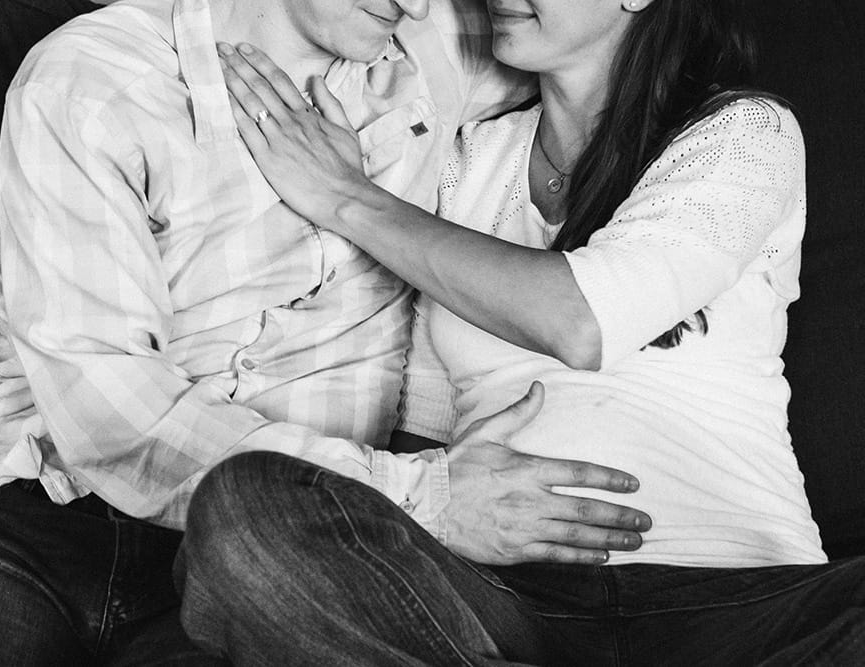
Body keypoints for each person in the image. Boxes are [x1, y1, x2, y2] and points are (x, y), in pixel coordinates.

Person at [0, 0, 658, 664]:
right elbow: (115, 419)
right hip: (35, 510)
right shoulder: (94, 83)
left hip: (263, 569)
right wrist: (425, 499)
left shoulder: (429, 52)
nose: (418, 5)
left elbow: (593, 34)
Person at [176, 0, 865, 663]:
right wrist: (433, 503)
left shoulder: (744, 135)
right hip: (506, 605)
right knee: (243, 510)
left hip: (741, 603)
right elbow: (424, 423)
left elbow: (583, 320)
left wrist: (345, 197)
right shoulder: (463, 162)